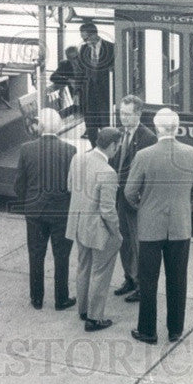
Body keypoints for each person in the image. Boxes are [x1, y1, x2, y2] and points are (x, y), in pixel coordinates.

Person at [125, 108, 193, 344]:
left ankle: (148, 331)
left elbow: (129, 192)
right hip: (180, 227)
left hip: (150, 226)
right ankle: (175, 330)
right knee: (177, 279)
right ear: (177, 128)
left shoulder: (144, 155)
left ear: (157, 128)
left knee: (148, 280)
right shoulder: (192, 153)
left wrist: (144, 205)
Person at [13, 108, 77, 311]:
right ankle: (61, 298)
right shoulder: (70, 150)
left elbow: (19, 184)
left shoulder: (26, 149)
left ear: (40, 126)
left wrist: (27, 203)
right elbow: (73, 185)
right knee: (61, 256)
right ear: (58, 127)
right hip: (60, 212)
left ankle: (37, 298)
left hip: (35, 211)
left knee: (36, 254)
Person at [65, 127, 122, 332]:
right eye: (118, 146)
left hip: (78, 225)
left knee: (83, 266)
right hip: (98, 230)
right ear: (113, 145)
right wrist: (116, 233)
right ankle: (94, 318)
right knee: (101, 272)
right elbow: (107, 211)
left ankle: (82, 310)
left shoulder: (77, 159)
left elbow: (70, 187)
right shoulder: (108, 173)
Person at [107, 95, 156, 302]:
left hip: (135, 200)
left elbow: (147, 173)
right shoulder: (118, 134)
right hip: (118, 196)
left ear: (138, 114)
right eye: (121, 114)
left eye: (127, 114)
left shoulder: (148, 138)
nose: (123, 118)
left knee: (137, 244)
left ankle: (141, 285)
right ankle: (129, 277)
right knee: (123, 241)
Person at [78, 22, 114, 147]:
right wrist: (78, 93)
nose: (85, 41)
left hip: (106, 94)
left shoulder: (111, 48)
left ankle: (107, 149)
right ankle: (94, 147)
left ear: (94, 35)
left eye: (86, 38)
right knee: (91, 124)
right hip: (89, 95)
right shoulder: (83, 49)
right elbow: (80, 72)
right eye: (83, 39)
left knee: (106, 123)